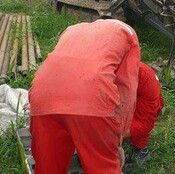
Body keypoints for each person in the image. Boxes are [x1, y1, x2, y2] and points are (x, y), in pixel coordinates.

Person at [29, 19, 140, 174]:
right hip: (92, 98)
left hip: (42, 96)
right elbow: (125, 91)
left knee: (48, 167)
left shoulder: (71, 30)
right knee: (102, 168)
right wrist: (116, 140)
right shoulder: (129, 35)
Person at [123, 61, 164, 171]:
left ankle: (141, 151)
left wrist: (108, 137)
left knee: (137, 127)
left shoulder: (144, 77)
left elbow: (144, 123)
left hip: (142, 109)